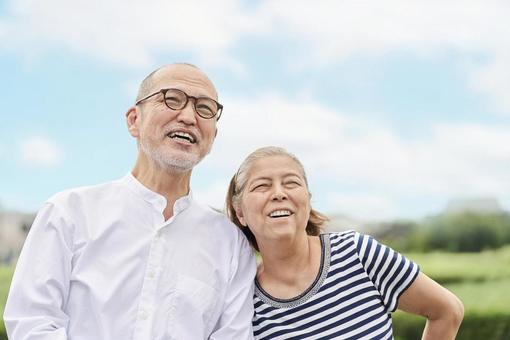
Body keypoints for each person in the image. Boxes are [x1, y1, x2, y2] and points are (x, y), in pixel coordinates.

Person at [4, 63, 257, 340]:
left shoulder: (232, 245)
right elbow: (33, 324)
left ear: (213, 136)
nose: (188, 116)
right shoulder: (68, 213)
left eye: (204, 109)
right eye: (172, 99)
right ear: (134, 120)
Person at [226, 146, 464, 340]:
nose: (279, 193)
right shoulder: (243, 300)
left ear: (307, 202)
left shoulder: (357, 253)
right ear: (240, 213)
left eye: (291, 183)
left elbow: (447, 311)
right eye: (262, 186)